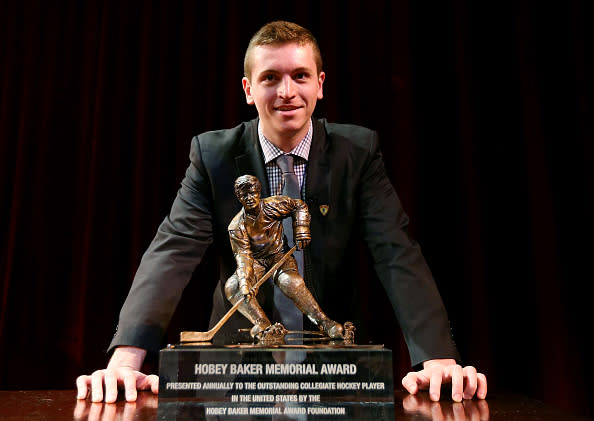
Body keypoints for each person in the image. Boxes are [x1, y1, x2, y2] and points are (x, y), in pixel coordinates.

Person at [76, 20, 487, 404]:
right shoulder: (213, 156)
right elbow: (172, 251)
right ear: (248, 89)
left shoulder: (357, 153)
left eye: (300, 75)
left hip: (337, 371)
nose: (287, 91)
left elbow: (396, 252)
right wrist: (125, 361)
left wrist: (437, 359)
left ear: (320, 84)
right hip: (236, 372)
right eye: (270, 78)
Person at [225, 174, 343, 339]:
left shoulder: (272, 205)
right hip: (255, 262)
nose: (249, 198)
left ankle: (324, 322)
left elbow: (299, 206)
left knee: (291, 282)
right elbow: (243, 255)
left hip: (279, 256)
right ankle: (262, 323)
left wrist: (301, 229)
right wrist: (246, 283)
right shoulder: (236, 226)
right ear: (238, 197)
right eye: (244, 195)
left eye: (252, 193)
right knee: (233, 287)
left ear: (258, 192)